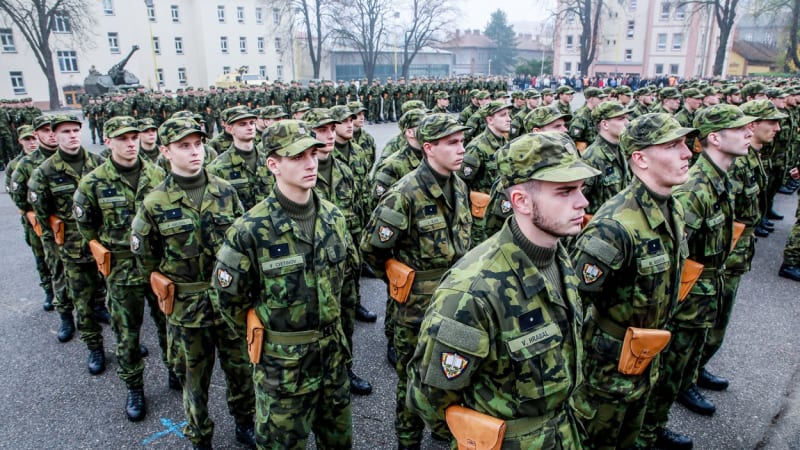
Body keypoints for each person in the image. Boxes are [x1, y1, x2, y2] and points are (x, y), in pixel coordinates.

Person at [407, 132, 598, 448]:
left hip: (564, 431)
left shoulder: (559, 255)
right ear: (521, 201)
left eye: (581, 189)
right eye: (565, 192)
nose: (583, 202)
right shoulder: (473, 290)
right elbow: (430, 398)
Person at [212, 120, 356, 449]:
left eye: (313, 154)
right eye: (297, 157)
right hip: (283, 371)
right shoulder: (250, 229)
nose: (310, 163)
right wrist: (270, 341)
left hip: (332, 360)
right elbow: (229, 300)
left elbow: (344, 284)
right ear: (273, 165)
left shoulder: (333, 218)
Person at [570, 113, 696, 449]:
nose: (687, 153)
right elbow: (573, 302)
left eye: (685, 144)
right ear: (639, 159)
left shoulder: (672, 207)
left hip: (646, 354)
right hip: (606, 370)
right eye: (673, 146)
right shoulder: (614, 227)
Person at [131, 117, 256, 450]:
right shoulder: (154, 202)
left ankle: (245, 423)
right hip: (187, 311)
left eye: (198, 144)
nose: (194, 152)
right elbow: (146, 259)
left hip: (228, 304)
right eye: (184, 146)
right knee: (193, 380)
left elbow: (244, 245)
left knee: (241, 370)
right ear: (166, 152)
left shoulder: (226, 191)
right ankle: (201, 436)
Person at [640, 104, 756, 449]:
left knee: (682, 368)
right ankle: (648, 434)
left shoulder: (716, 178)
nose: (749, 133)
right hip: (689, 297)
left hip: (707, 288)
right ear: (716, 138)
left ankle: (656, 424)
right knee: (665, 376)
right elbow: (678, 253)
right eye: (739, 129)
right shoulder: (695, 187)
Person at [361, 114, 473, 449]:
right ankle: (407, 443)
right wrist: (401, 284)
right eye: (451, 143)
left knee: (452, 374)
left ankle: (443, 429)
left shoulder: (459, 186)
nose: (461, 149)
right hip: (415, 310)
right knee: (412, 381)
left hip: (456, 303)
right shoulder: (405, 194)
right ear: (428, 148)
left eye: (462, 141)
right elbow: (371, 249)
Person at [73, 116, 171, 421]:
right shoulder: (93, 182)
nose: (131, 144)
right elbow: (85, 226)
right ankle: (134, 388)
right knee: (127, 334)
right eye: (123, 139)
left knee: (167, 326)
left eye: (134, 137)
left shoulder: (157, 173)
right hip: (120, 271)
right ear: (108, 142)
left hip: (156, 267)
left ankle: (175, 371)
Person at [10, 116, 60, 312]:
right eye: (44, 131)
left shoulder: (69, 158)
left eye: (52, 130)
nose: (50, 134)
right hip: (39, 222)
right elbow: (18, 196)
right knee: (45, 258)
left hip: (68, 224)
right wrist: (37, 214)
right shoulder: (24, 164)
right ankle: (49, 290)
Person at [207, 106, 272, 211]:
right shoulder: (217, 168)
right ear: (229, 129)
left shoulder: (269, 162)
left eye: (252, 123)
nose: (250, 127)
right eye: (242, 124)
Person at [581, 101, 631, 214]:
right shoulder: (590, 158)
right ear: (605, 124)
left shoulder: (622, 149)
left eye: (626, 118)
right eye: (620, 119)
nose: (627, 123)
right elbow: (578, 201)